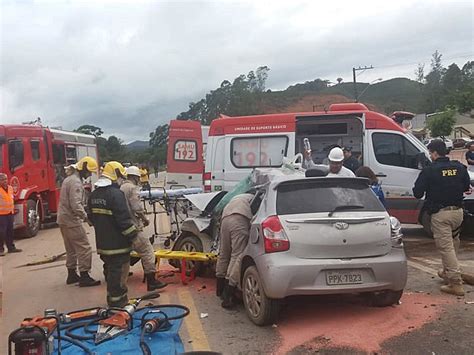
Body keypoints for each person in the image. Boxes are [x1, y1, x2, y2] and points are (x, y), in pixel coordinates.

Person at [413, 139, 471, 296]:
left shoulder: (429, 170)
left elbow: (417, 192)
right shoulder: (459, 167)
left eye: (431, 153)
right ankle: (449, 272)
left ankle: (455, 282)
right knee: (453, 243)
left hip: (441, 214)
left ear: (434, 153)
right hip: (458, 213)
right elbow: (466, 187)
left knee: (445, 248)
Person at [88, 161, 138, 307]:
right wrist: (133, 236)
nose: (122, 179)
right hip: (119, 245)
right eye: (121, 176)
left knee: (110, 271)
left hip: (103, 244)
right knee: (119, 274)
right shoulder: (116, 195)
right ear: (116, 174)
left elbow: (91, 219)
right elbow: (124, 220)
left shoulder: (93, 195)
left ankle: (113, 299)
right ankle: (118, 303)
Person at [121, 166, 167, 291]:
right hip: (133, 226)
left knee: (127, 251)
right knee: (147, 251)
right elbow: (136, 207)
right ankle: (151, 281)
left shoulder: (121, 187)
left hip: (122, 226)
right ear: (135, 177)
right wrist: (144, 219)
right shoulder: (132, 188)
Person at [57, 157, 100, 286]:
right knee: (84, 247)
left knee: (70, 248)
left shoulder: (68, 179)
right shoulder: (75, 182)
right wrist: (86, 218)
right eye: (89, 172)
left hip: (63, 219)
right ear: (84, 168)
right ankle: (84, 275)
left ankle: (71, 274)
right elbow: (76, 205)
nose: (89, 175)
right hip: (72, 220)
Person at [216, 193, 254, 309]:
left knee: (224, 253)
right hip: (239, 218)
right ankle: (229, 293)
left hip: (225, 219)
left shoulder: (240, 195)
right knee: (237, 255)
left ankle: (220, 289)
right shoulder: (256, 197)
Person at [0, 173, 22, 256]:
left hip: (10, 213)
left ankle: (11, 248)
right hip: (1, 214)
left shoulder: (10, 188)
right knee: (2, 232)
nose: (5, 181)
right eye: (2, 180)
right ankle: (1, 249)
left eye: (5, 179)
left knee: (10, 231)